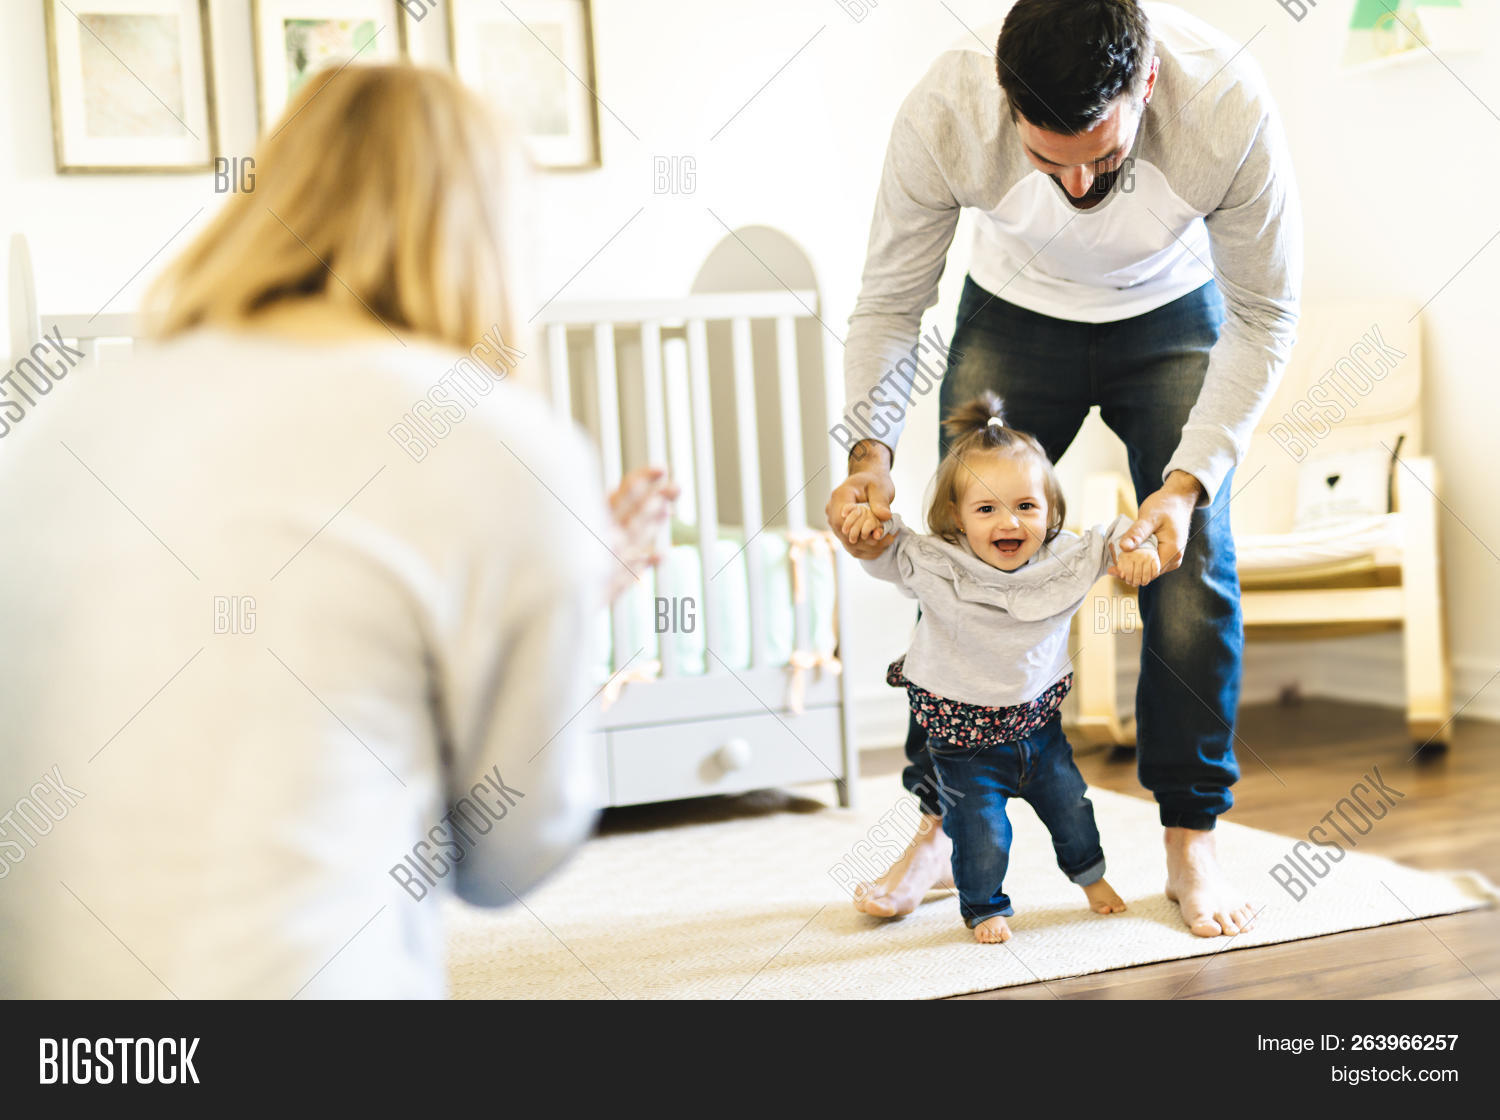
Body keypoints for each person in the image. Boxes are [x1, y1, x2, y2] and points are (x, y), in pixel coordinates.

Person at [0, 66, 676, 998]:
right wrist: (568, 610)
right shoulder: (493, 442)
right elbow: (510, 856)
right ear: (485, 235)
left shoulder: (63, 422)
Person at [827, 0, 1302, 937]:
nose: (1079, 185)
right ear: (1007, 105)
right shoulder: (949, 109)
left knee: (1192, 566)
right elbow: (889, 302)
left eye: (1102, 156)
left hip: (1173, 313)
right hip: (1013, 311)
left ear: (1148, 83)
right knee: (958, 563)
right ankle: (942, 824)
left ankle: (1191, 840)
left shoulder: (1227, 106)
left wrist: (1185, 486)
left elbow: (1266, 317)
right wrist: (869, 452)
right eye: (1049, 160)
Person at [842, 393, 1156, 941]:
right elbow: (884, 552)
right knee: (982, 833)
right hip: (963, 743)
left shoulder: (1065, 558)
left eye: (1026, 506)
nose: (1008, 521)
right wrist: (865, 531)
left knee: (1073, 811)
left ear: (1050, 512)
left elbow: (1116, 534)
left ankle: (1091, 878)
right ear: (956, 518)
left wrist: (1138, 549)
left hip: (1040, 732)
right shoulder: (937, 560)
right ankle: (985, 907)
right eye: (986, 509)